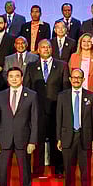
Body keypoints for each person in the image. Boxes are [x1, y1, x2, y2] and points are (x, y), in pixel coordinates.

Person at [0, 67, 38, 186]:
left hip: (23, 139)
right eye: (11, 76)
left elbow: (34, 120)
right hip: (4, 139)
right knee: (3, 172)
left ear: (22, 78)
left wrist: (32, 141)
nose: (14, 79)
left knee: (25, 172)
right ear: (7, 78)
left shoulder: (31, 95)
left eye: (17, 76)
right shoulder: (0, 95)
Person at [24, 39, 70, 178]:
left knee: (57, 139)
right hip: (37, 110)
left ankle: (58, 169)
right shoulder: (31, 66)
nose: (46, 49)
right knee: (38, 139)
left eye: (48, 47)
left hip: (56, 109)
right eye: (43, 47)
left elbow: (65, 89)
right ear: (38, 50)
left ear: (52, 49)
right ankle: (38, 169)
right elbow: (27, 88)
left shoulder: (62, 65)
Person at [56, 68, 93, 186]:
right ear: (70, 79)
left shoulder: (91, 96)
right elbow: (59, 118)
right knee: (69, 172)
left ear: (83, 79)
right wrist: (59, 138)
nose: (76, 80)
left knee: (85, 172)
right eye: (74, 77)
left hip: (85, 137)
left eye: (79, 77)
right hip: (67, 137)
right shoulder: (62, 96)